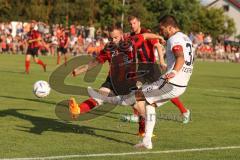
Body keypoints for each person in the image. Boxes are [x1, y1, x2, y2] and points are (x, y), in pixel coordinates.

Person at [88, 15, 195, 149]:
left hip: (172, 81)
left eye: (162, 29)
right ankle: (147, 140)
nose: (161, 32)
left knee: (136, 96)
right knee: (149, 105)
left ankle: (103, 98)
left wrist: (173, 72)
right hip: (182, 84)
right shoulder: (186, 38)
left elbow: (180, 57)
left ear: (170, 27)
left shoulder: (174, 39)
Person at [68, 27, 164, 121]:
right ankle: (78, 110)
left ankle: (143, 131)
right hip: (112, 81)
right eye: (111, 38)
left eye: (115, 38)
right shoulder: (108, 49)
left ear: (122, 36)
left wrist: (159, 37)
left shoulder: (131, 42)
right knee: (99, 96)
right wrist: (79, 71)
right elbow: (94, 63)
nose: (113, 40)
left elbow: (145, 35)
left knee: (140, 108)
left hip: (128, 82)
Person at [126, 15, 190, 137]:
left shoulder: (147, 33)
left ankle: (184, 111)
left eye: (134, 23)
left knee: (161, 92)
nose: (132, 26)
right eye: (130, 24)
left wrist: (161, 61)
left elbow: (158, 46)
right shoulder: (131, 35)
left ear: (139, 22)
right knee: (137, 91)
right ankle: (140, 122)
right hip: (141, 67)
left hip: (151, 67)